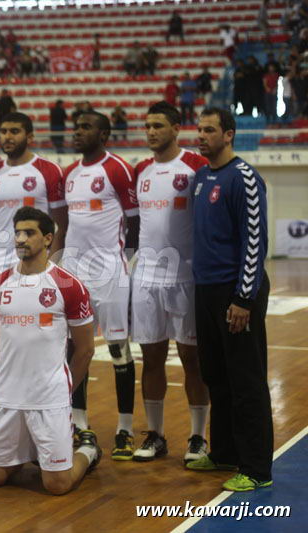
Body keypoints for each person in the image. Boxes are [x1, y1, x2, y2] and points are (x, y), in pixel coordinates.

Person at [0, 207, 100, 494]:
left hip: (50, 396)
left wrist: (63, 392)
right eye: (18, 233)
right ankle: (33, 451)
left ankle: (87, 451)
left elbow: (85, 350)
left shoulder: (69, 286)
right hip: (8, 395)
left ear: (48, 239)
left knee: (57, 486)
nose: (21, 239)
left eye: (29, 233)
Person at [187, 108, 272, 492]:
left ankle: (256, 469)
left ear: (229, 135)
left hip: (236, 291)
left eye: (209, 130)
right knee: (215, 376)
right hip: (205, 289)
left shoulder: (245, 178)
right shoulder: (201, 177)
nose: (200, 135)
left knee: (246, 380)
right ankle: (223, 452)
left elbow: (255, 243)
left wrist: (243, 297)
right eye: (199, 129)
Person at [131, 102, 210, 463]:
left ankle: (198, 437)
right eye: (147, 125)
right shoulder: (141, 170)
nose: (150, 132)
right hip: (146, 277)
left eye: (158, 125)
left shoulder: (195, 166)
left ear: (177, 128)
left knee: (192, 358)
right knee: (151, 357)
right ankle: (156, 435)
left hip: (186, 276)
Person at [62, 111, 139, 460]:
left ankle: (125, 428)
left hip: (109, 271)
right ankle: (80, 423)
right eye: (76, 127)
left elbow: (135, 219)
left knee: (118, 349)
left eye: (86, 127)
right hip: (74, 272)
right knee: (74, 349)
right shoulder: (69, 174)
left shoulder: (117, 168)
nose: (78, 132)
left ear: (104, 133)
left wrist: (130, 263)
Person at [0, 112, 68, 281]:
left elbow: (63, 226)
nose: (7, 137)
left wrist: (50, 266)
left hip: (35, 264)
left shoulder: (48, 170)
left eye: (14, 131)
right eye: (3, 132)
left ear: (30, 137)